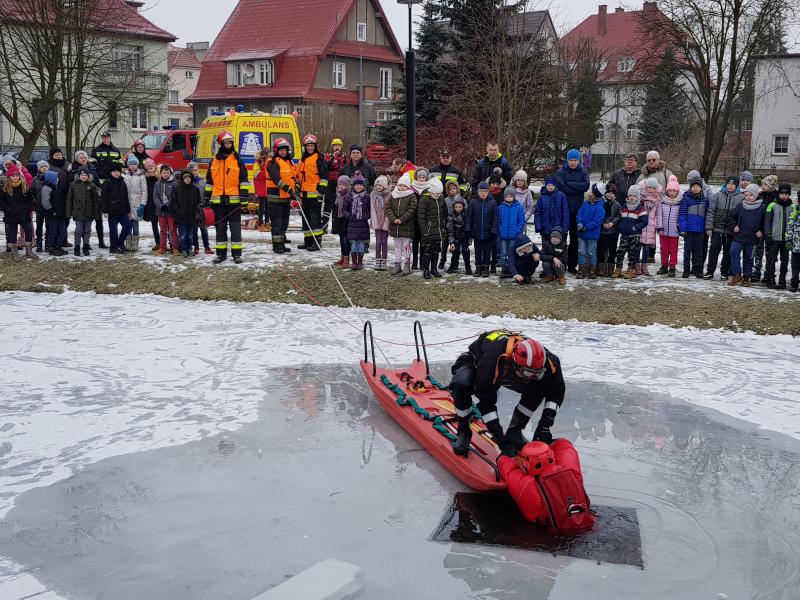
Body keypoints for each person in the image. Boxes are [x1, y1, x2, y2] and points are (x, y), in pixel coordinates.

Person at [449, 331, 566, 457]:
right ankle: (464, 431)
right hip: (476, 362)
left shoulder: (550, 362)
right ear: (515, 363)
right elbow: (486, 400)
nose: (532, 377)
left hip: (512, 371)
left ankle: (515, 432)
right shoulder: (493, 359)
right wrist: (499, 437)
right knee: (461, 384)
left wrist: (545, 426)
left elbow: (556, 393)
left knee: (538, 387)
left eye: (537, 374)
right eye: (528, 373)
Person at [498, 439, 595, 533]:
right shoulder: (571, 472)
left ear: (527, 464)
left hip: (553, 535)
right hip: (587, 525)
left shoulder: (527, 485)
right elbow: (565, 446)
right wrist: (543, 442)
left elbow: (507, 468)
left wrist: (508, 450)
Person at [552, 149, 590, 273]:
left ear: (578, 160)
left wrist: (570, 183)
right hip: (563, 211)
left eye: (575, 160)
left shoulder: (583, 171)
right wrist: (577, 188)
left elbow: (586, 186)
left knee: (575, 239)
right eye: (571, 160)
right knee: (561, 238)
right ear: (567, 160)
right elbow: (562, 188)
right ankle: (560, 264)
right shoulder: (560, 172)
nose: (573, 163)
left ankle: (572, 265)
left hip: (577, 211)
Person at [704, 175, 742, 280]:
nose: (730, 186)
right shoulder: (717, 195)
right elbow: (711, 211)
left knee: (728, 251)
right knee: (714, 249)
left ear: (736, 185)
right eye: (728, 184)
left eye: (733, 184)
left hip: (731, 230)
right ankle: (710, 271)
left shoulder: (740, 197)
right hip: (717, 229)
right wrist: (709, 227)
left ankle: (724, 272)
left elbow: (740, 215)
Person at [729, 184, 766, 287]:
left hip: (752, 239)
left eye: (751, 195)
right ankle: (737, 274)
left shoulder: (762, 208)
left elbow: (766, 222)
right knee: (733, 251)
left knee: (749, 258)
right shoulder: (740, 206)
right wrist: (734, 227)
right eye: (746, 195)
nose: (748, 197)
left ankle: (746, 277)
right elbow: (732, 218)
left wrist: (761, 231)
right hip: (739, 237)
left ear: (756, 195)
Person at [296, 134, 328, 250]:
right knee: (306, 219)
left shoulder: (319, 159)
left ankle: (317, 243)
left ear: (315, 146)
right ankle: (308, 242)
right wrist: (297, 187)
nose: (310, 148)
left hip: (315, 194)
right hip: (304, 194)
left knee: (315, 219)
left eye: (311, 145)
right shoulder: (302, 159)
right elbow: (298, 175)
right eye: (308, 146)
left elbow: (324, 177)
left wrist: (321, 192)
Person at [265, 137, 297, 256]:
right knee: (277, 223)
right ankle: (277, 245)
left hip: (285, 197)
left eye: (285, 150)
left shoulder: (289, 162)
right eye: (281, 149)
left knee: (284, 222)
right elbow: (277, 179)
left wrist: (295, 188)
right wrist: (289, 189)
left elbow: (293, 177)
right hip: (275, 197)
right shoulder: (272, 163)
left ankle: (282, 243)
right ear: (276, 150)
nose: (283, 152)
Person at [1, 163, 37, 261]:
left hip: (24, 214)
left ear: (20, 176)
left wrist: (26, 208)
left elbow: (30, 199)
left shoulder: (25, 187)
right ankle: (14, 253)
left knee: (29, 232)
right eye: (13, 176)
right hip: (11, 215)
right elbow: (2, 201)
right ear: (10, 177)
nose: (15, 177)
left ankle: (29, 251)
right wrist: (8, 209)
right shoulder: (5, 188)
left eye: (17, 175)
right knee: (12, 234)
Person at [385, 172, 417, 276]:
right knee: (397, 246)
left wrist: (402, 219)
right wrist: (394, 219)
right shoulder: (393, 195)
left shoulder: (411, 196)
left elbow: (412, 209)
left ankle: (407, 264)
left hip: (406, 225)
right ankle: (397, 264)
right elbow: (388, 208)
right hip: (395, 226)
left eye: (404, 186)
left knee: (406, 246)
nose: (402, 188)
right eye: (400, 185)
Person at [65, 166, 101, 256]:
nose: (84, 176)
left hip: (89, 214)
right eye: (82, 175)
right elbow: (69, 200)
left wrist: (97, 214)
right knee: (78, 231)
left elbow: (96, 201)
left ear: (88, 176)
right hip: (77, 213)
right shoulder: (73, 185)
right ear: (78, 175)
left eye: (85, 175)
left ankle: (85, 246)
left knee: (87, 231)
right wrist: (68, 213)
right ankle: (77, 247)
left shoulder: (91, 186)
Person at [614, 186, 648, 279]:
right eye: (630, 195)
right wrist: (620, 227)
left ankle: (630, 270)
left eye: (634, 195)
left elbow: (645, 221)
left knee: (632, 253)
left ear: (637, 197)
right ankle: (618, 269)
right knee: (620, 252)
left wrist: (635, 227)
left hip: (634, 235)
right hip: (624, 234)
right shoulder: (624, 206)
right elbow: (620, 218)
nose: (632, 197)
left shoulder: (640, 208)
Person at [679, 174, 709, 278]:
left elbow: (707, 215)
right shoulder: (686, 199)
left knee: (698, 251)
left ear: (701, 188)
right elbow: (682, 214)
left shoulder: (705, 200)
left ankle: (697, 269)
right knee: (687, 251)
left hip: (700, 230)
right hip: (688, 230)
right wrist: (683, 227)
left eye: (697, 186)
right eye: (693, 186)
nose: (695, 188)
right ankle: (686, 269)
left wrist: (707, 227)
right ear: (690, 188)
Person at [764, 183, 793, 289]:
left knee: (784, 260)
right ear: (778, 194)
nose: (784, 195)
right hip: (774, 238)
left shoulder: (792, 207)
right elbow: (767, 221)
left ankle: (782, 280)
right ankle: (770, 279)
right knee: (772, 259)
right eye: (782, 193)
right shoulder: (772, 205)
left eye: (786, 194)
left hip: (786, 239)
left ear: (789, 194)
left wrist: (791, 237)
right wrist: (767, 234)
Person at [465, 182, 497, 278]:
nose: (483, 193)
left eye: (485, 191)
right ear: (478, 192)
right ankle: (478, 267)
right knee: (478, 251)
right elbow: (469, 217)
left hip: (488, 232)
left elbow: (496, 218)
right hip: (477, 231)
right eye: (481, 191)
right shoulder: (473, 202)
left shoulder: (493, 203)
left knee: (487, 251)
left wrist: (494, 230)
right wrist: (468, 230)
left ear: (488, 192)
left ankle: (486, 268)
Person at [418, 177, 447, 279]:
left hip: (438, 230)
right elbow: (420, 217)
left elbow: (444, 214)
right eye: (436, 193)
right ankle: (426, 269)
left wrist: (443, 226)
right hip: (428, 231)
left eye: (439, 193)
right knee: (428, 250)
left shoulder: (441, 198)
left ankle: (434, 269)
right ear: (431, 191)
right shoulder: (424, 199)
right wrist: (424, 231)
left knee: (436, 250)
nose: (438, 195)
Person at [101, 162, 131, 255]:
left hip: (123, 210)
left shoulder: (123, 182)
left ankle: (120, 242)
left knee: (127, 226)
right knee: (113, 230)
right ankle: (113, 247)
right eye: (114, 171)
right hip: (112, 210)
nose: (116, 173)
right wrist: (105, 211)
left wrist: (128, 210)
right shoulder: (107, 182)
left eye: (118, 171)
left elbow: (126, 197)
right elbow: (103, 197)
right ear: (111, 172)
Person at [576, 183, 605, 279]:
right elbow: (579, 214)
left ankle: (592, 270)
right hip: (582, 233)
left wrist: (586, 227)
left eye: (592, 192)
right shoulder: (585, 204)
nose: (589, 194)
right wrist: (579, 223)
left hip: (592, 234)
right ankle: (581, 270)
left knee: (592, 252)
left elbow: (597, 221)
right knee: (581, 251)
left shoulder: (600, 207)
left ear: (596, 194)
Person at [497, 186, 527, 279]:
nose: (508, 198)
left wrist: (517, 231)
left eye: (510, 196)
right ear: (504, 197)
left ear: (514, 197)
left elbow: (521, 221)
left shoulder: (518, 208)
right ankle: (503, 268)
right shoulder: (501, 207)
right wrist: (500, 230)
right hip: (503, 235)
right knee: (503, 253)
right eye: (507, 196)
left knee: (511, 253)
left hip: (514, 235)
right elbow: (498, 220)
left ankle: (510, 269)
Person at [342, 173, 370, 270]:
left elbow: (370, 209)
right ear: (353, 186)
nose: (358, 187)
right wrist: (349, 216)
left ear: (363, 186)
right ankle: (354, 262)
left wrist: (366, 216)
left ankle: (360, 261)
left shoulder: (366, 197)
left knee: (361, 243)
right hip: (352, 224)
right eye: (357, 185)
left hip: (363, 223)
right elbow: (344, 209)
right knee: (354, 243)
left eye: (360, 185)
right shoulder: (349, 197)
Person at [753, 175, 778, 282]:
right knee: (758, 251)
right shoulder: (759, 196)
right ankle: (756, 271)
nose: (763, 186)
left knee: (770, 252)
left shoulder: (776, 197)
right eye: (762, 184)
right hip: (759, 227)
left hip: (771, 229)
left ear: (771, 186)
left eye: (765, 184)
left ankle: (768, 272)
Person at [172, 170, 201, 258]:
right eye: (186, 178)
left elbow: (197, 202)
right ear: (182, 179)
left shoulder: (195, 189)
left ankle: (189, 248)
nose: (187, 180)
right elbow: (174, 202)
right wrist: (178, 211)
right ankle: (183, 249)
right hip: (181, 216)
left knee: (190, 234)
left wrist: (196, 212)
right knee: (183, 234)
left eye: (189, 178)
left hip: (192, 216)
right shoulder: (177, 188)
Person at [658, 176, 682, 277]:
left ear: (677, 192)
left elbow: (681, 216)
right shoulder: (662, 201)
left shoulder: (680, 203)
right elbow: (659, 215)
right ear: (667, 191)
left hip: (674, 231)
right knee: (663, 248)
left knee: (673, 249)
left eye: (674, 191)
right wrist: (659, 227)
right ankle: (664, 265)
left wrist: (680, 227)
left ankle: (672, 266)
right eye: (670, 190)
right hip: (663, 230)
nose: (672, 192)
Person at [638, 177, 663, 275]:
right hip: (641, 225)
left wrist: (657, 225)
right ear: (646, 187)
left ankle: (644, 266)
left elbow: (658, 214)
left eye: (653, 188)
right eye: (649, 187)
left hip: (651, 226)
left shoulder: (657, 199)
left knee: (646, 248)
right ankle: (636, 266)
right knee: (637, 247)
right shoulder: (641, 198)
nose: (651, 190)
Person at [534, 175, 569, 242]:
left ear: (555, 185)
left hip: (558, 229)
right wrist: (538, 226)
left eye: (552, 185)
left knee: (557, 250)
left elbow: (565, 213)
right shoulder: (542, 197)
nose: (550, 187)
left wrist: (564, 228)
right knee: (546, 248)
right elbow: (538, 212)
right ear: (545, 185)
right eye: (548, 185)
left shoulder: (561, 196)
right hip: (545, 229)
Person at [187, 162, 212, 255]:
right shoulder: (187, 181)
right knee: (194, 230)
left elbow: (207, 193)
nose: (194, 172)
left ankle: (207, 247)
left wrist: (207, 201)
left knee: (204, 229)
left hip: (202, 208)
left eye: (196, 169)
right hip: (191, 209)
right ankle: (196, 247)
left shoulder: (202, 181)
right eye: (192, 170)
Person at [122, 156, 146, 252]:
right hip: (126, 204)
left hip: (137, 204)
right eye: (131, 164)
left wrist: (142, 204)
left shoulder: (141, 176)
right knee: (127, 224)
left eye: (135, 164)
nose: (133, 166)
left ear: (137, 165)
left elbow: (144, 191)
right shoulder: (124, 175)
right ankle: (128, 243)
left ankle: (135, 244)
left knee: (135, 224)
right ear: (128, 165)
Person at [323, 138, 347, 232]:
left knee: (337, 206)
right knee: (327, 206)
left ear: (341, 147)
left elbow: (345, 169)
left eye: (338, 146)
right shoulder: (328, 157)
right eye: (335, 146)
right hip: (329, 184)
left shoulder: (344, 158)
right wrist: (332, 158)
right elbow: (325, 167)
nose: (337, 147)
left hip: (339, 185)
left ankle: (335, 228)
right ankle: (324, 227)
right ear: (332, 147)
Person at [153, 165, 178, 256]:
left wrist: (167, 205)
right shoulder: (157, 184)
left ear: (170, 173)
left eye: (168, 173)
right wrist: (160, 206)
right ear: (161, 173)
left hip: (170, 211)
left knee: (172, 230)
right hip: (161, 211)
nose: (166, 174)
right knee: (163, 230)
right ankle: (162, 247)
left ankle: (175, 247)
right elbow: (155, 196)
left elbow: (173, 197)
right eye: (164, 173)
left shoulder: (174, 183)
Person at [596, 184, 620, 277]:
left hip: (613, 231)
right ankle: (601, 268)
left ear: (614, 194)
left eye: (612, 193)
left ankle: (610, 268)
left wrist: (612, 223)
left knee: (612, 249)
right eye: (608, 193)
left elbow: (619, 215)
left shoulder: (617, 204)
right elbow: (598, 215)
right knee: (601, 249)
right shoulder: (601, 203)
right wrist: (603, 223)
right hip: (602, 230)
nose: (610, 194)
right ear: (605, 194)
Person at [41, 170, 67, 255]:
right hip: (52, 214)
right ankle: (51, 247)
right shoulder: (46, 188)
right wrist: (52, 211)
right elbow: (45, 203)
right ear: (51, 178)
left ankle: (58, 246)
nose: (58, 179)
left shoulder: (56, 186)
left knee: (62, 231)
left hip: (60, 213)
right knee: (53, 232)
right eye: (56, 178)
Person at [441, 180, 465, 270]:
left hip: (458, 228)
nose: (452, 190)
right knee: (445, 244)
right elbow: (443, 212)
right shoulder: (445, 200)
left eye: (454, 189)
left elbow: (465, 212)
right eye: (450, 189)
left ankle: (455, 263)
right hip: (448, 225)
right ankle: (442, 261)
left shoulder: (462, 199)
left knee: (456, 246)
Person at [369, 175, 390, 271]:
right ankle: (378, 259)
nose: (378, 187)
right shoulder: (373, 195)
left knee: (384, 242)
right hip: (377, 221)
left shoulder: (389, 196)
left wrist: (386, 223)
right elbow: (372, 210)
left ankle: (384, 259)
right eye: (376, 185)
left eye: (380, 185)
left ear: (384, 186)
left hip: (385, 221)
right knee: (378, 242)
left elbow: (389, 210)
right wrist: (375, 223)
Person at [446, 196, 471, 274]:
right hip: (455, 237)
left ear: (463, 206)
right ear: (453, 207)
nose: (458, 208)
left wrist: (469, 237)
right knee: (455, 252)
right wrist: (451, 242)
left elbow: (469, 226)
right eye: (456, 207)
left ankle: (468, 267)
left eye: (460, 206)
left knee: (465, 252)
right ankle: (453, 266)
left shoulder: (466, 215)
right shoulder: (451, 216)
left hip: (465, 238)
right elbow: (450, 230)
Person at [142, 159, 160, 250]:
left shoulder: (159, 177)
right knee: (154, 224)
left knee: (165, 226)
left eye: (152, 167)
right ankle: (158, 242)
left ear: (155, 167)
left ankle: (169, 243)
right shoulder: (144, 178)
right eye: (148, 168)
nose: (150, 169)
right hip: (150, 204)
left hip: (159, 204)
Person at [32, 161, 49, 252]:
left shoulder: (51, 178)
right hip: (39, 207)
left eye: (46, 166)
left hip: (48, 207)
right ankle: (39, 243)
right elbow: (32, 193)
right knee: (39, 226)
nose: (44, 168)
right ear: (39, 168)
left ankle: (47, 243)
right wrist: (34, 202)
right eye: (42, 166)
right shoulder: (35, 179)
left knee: (48, 226)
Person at [253, 147, 272, 231]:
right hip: (261, 186)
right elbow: (257, 175)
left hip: (267, 186)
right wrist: (266, 171)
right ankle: (260, 223)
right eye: (268, 154)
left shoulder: (269, 162)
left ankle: (267, 222)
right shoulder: (257, 163)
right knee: (262, 206)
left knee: (268, 206)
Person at [787, 200, 800, 292]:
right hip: (796, 244)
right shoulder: (795, 211)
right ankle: (794, 283)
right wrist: (788, 239)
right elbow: (790, 225)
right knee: (795, 265)